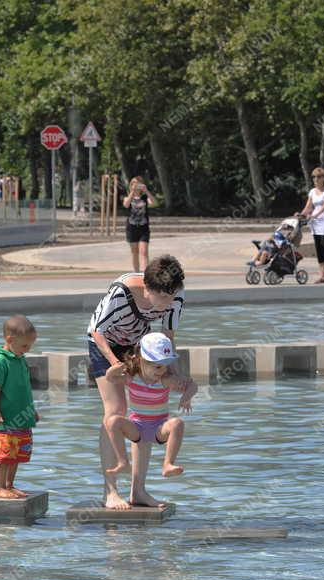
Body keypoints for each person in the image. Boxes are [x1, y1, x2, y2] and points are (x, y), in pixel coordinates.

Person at [87, 255, 185, 510]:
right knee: (116, 411)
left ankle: (138, 491)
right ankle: (110, 491)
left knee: (146, 415)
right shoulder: (121, 294)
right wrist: (114, 364)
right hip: (105, 344)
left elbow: (168, 334)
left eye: (172, 298)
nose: (168, 304)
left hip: (137, 345)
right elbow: (96, 331)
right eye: (163, 299)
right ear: (148, 289)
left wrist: (172, 372)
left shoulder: (174, 296)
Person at [104, 332, 196, 506]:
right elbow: (109, 378)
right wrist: (113, 369)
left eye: (164, 366)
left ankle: (168, 464)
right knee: (113, 421)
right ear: (140, 360)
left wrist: (187, 397)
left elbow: (192, 384)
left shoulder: (166, 380)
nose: (161, 371)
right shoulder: (131, 377)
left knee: (177, 423)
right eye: (156, 366)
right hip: (136, 427)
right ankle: (123, 462)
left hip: (158, 428)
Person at [0, 315, 40, 499]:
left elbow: (24, 389)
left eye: (30, 346)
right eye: (25, 346)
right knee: (4, 454)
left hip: (22, 416)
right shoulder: (1, 361)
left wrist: (31, 410)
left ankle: (10, 484)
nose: (27, 349)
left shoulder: (20, 359)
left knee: (17, 453)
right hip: (6, 418)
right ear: (10, 340)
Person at [298, 167, 324, 283]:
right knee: (318, 248)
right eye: (314, 177)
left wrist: (315, 215)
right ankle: (322, 275)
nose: (316, 179)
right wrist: (300, 214)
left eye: (319, 176)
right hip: (314, 221)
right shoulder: (312, 191)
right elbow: (308, 206)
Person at [122, 176, 152, 272]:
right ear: (131, 185)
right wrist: (132, 192)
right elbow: (126, 204)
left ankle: (145, 275)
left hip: (144, 228)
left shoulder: (145, 197)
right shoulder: (128, 197)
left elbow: (154, 203)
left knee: (144, 252)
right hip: (132, 227)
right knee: (134, 252)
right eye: (133, 183)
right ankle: (136, 273)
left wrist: (146, 191)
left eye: (138, 183)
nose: (136, 186)